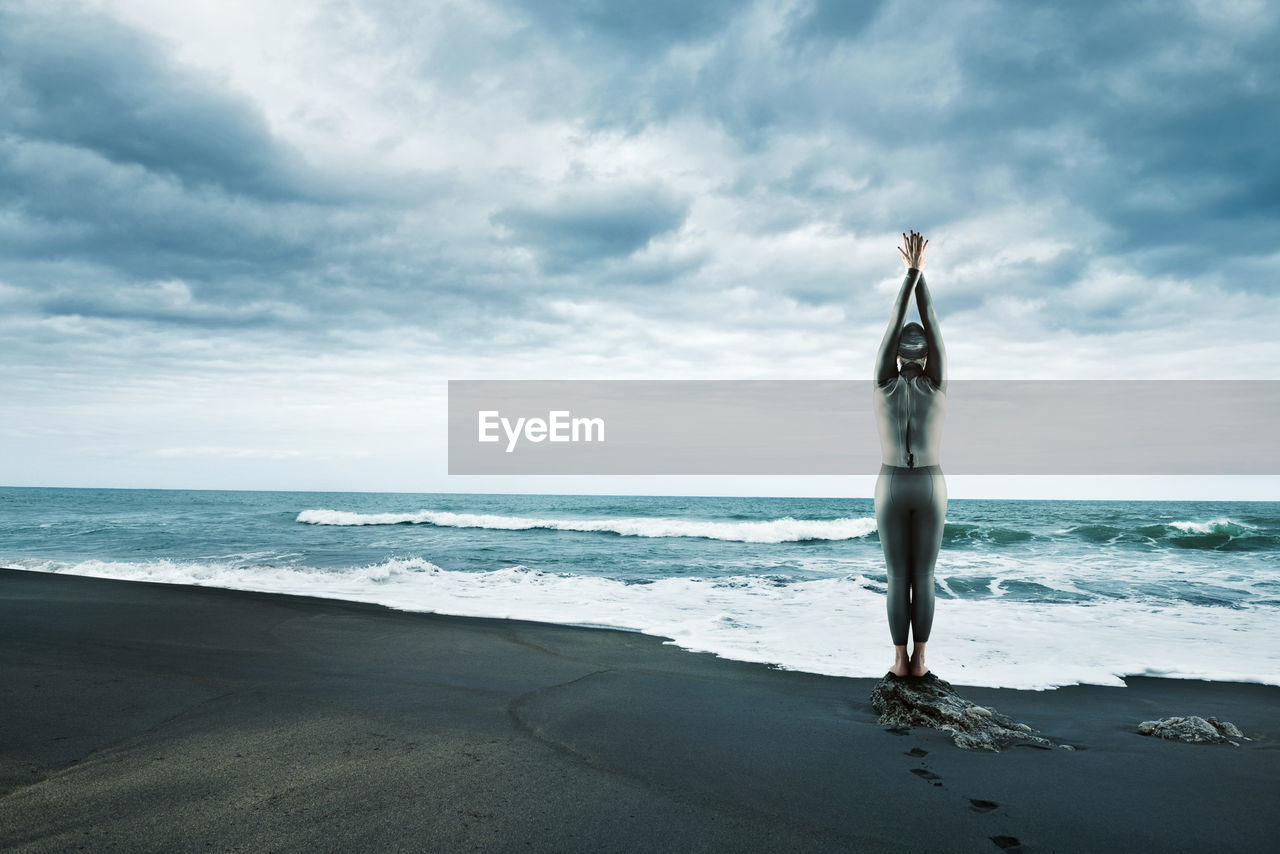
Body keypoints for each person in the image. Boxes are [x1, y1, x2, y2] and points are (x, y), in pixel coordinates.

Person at [872, 230, 947, 678]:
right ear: (926, 356)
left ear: (897, 355)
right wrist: (921, 278)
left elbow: (892, 323)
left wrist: (910, 276)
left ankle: (899, 661)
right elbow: (931, 322)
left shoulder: (883, 384)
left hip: (891, 482)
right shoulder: (937, 385)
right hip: (931, 483)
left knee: (898, 577)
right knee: (925, 576)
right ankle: (920, 661)